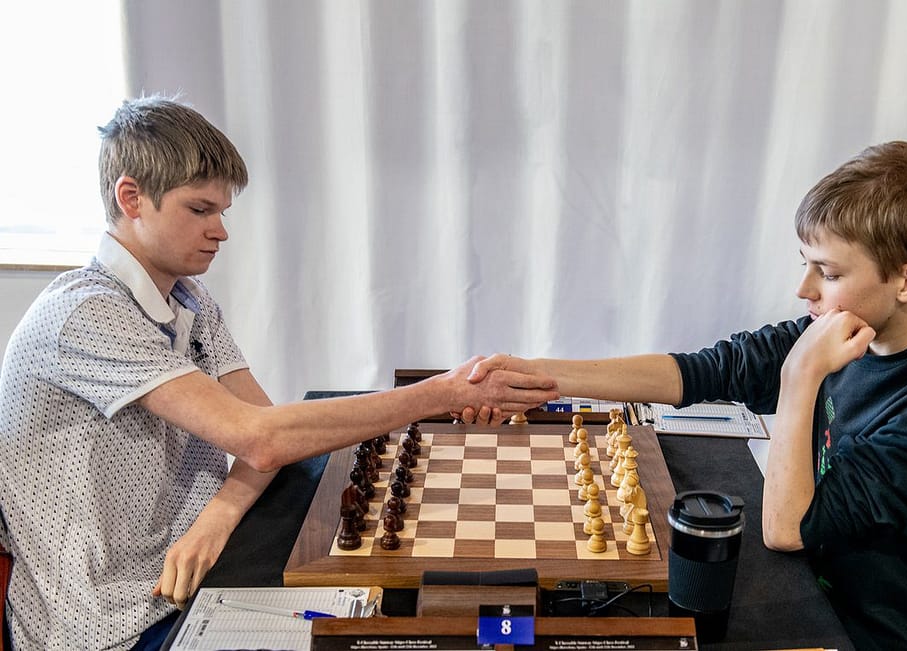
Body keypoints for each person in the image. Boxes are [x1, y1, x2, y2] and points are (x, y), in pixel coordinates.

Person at [0, 95, 558, 651]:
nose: (220, 231)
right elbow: (263, 441)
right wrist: (440, 392)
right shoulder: (86, 314)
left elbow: (264, 430)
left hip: (202, 567)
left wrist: (218, 513)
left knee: (415, 614)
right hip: (115, 620)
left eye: (222, 212)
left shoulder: (189, 301)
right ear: (132, 198)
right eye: (200, 210)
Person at [465, 142, 907, 650]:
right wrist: (538, 375)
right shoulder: (858, 329)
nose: (805, 290)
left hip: (868, 631)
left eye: (828, 271)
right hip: (815, 585)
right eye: (806, 263)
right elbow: (704, 372)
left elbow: (787, 530)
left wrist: (799, 380)